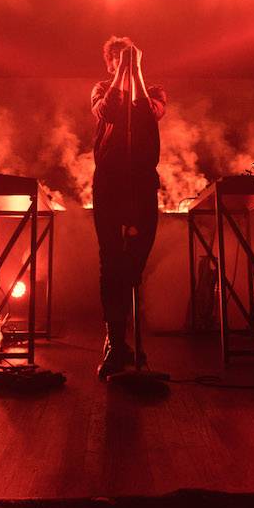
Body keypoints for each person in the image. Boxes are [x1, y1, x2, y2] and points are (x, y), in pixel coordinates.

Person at [90, 36, 167, 379]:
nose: (121, 62)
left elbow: (149, 115)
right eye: (116, 59)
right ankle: (115, 342)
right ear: (108, 62)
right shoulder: (101, 89)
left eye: (127, 57)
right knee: (111, 260)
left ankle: (122, 338)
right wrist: (123, 71)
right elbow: (108, 111)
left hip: (142, 182)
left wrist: (134, 70)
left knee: (134, 263)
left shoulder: (154, 91)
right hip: (108, 182)